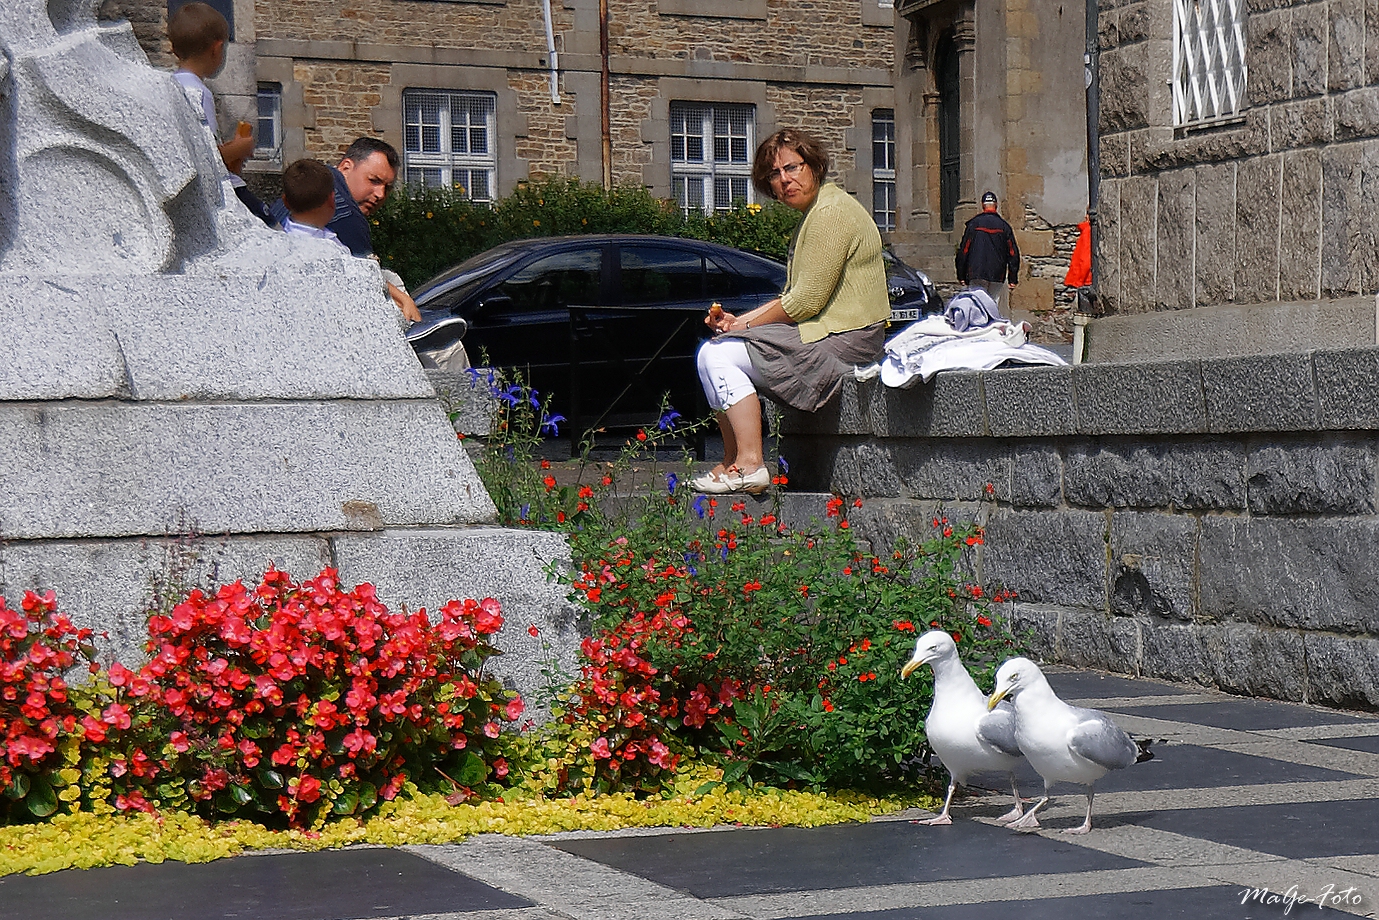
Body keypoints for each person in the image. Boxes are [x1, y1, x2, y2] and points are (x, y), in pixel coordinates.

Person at [692, 128, 890, 494]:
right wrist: (739, 323)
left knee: (719, 356)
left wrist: (742, 327)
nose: (784, 180)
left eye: (792, 168)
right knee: (712, 353)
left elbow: (804, 302)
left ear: (813, 165)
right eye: (773, 175)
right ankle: (733, 461)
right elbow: (795, 295)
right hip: (827, 334)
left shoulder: (830, 214)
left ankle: (751, 464)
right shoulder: (818, 212)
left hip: (845, 342)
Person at [271, 140, 420, 323]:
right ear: (346, 167)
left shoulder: (306, 188)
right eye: (374, 181)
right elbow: (367, 283)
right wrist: (404, 301)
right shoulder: (347, 215)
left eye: (387, 187)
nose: (380, 194)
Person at [168, 2, 277, 227]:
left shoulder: (170, 86)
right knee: (271, 226)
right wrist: (241, 147)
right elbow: (204, 158)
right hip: (213, 197)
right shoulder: (198, 93)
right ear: (217, 49)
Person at [955, 191, 1020, 315]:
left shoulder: (974, 225)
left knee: (976, 306)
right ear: (996, 205)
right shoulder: (1004, 226)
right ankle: (992, 330)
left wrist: (961, 275)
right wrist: (1013, 278)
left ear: (982, 205)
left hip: (976, 272)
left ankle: (978, 331)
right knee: (993, 306)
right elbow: (1013, 253)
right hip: (997, 274)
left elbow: (964, 251)